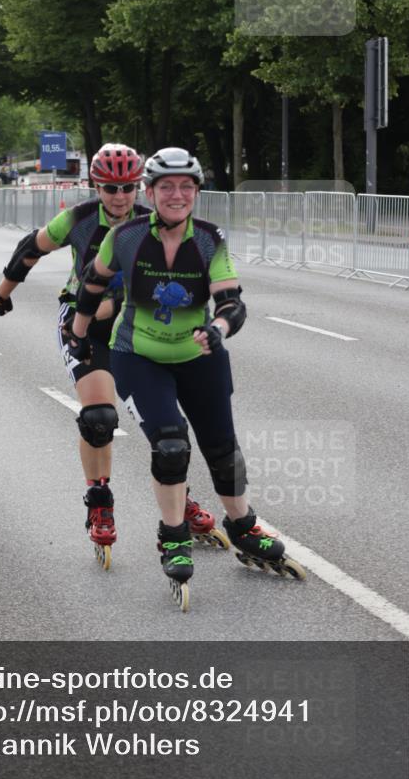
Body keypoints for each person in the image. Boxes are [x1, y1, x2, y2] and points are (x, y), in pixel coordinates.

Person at [67, 147, 305, 610]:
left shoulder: (211, 240)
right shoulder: (127, 236)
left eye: (186, 187)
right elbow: (91, 284)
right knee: (172, 445)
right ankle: (173, 534)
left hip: (200, 353)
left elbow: (232, 302)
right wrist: (78, 335)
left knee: (221, 447)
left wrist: (217, 329)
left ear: (197, 191)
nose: (177, 195)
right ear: (151, 193)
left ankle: (243, 526)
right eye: (166, 187)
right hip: (138, 354)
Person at [0, 143, 223, 571]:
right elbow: (31, 246)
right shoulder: (79, 219)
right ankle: (99, 500)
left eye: (129, 187)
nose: (120, 196)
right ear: (96, 186)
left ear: (141, 187)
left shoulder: (152, 224)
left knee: (162, 422)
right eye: (111, 188)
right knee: (100, 419)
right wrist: (3, 293)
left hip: (134, 323)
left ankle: (180, 499)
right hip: (83, 323)